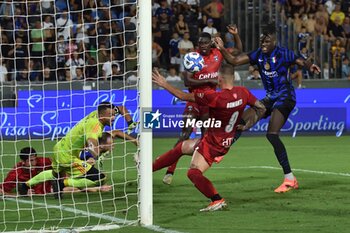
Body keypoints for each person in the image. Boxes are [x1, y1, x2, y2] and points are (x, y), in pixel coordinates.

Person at [214, 23, 321, 193]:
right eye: (262, 40)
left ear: (274, 41)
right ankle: (221, 150)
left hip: (286, 98)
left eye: (266, 41)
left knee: (272, 134)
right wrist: (221, 48)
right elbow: (233, 60)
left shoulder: (283, 53)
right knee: (242, 121)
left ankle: (289, 179)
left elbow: (300, 61)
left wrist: (310, 66)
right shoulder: (258, 55)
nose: (263, 43)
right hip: (270, 98)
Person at [152, 64, 266, 211]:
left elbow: (183, 96)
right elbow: (261, 107)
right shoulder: (243, 92)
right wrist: (247, 125)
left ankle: (216, 199)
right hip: (224, 141)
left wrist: (164, 84)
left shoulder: (215, 97)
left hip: (213, 143)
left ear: (220, 78)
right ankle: (147, 169)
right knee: (182, 147)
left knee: (193, 172)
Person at [162, 31, 241, 185]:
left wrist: (235, 36)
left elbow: (238, 52)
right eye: (200, 44)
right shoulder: (193, 57)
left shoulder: (218, 53)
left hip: (210, 103)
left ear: (210, 42)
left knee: (206, 140)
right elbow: (187, 81)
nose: (202, 46)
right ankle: (170, 170)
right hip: (194, 101)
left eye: (205, 43)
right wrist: (212, 79)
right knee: (184, 134)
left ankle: (196, 169)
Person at [24, 102, 138, 199]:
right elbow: (91, 140)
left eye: (114, 114)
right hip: (68, 155)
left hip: (60, 148)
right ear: (102, 116)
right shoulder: (95, 126)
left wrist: (130, 123)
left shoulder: (97, 114)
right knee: (100, 178)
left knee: (55, 174)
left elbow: (122, 108)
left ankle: (25, 185)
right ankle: (63, 183)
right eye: (111, 115)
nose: (113, 117)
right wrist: (97, 153)